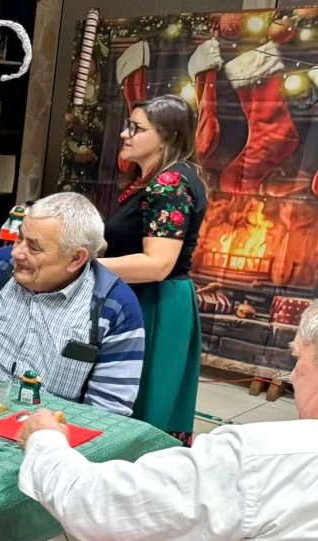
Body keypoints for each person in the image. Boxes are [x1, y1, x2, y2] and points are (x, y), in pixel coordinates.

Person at [17, 285, 318, 541]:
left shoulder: (272, 457)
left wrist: (45, 440)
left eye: (297, 359)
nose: (291, 377)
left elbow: (99, 505)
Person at [0, 192, 145, 415]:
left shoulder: (115, 308)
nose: (16, 252)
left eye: (34, 247)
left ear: (76, 258)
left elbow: (108, 410)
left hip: (45, 434)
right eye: (20, 238)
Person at [101, 94, 206, 444]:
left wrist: (84, 267)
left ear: (167, 136)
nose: (124, 134)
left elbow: (157, 264)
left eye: (136, 128)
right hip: (146, 298)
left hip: (154, 304)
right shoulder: (155, 179)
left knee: (145, 398)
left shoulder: (170, 183)